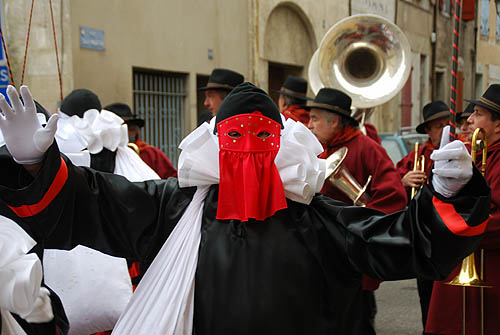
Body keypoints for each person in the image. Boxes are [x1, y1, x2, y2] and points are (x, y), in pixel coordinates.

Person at [0, 84, 488, 335]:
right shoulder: (173, 210)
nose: (248, 149)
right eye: (235, 136)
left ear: (280, 144)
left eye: (262, 136)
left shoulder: (316, 220)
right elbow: (95, 200)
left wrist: (452, 191)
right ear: (216, 143)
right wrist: (34, 163)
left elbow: (405, 240)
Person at [305, 87, 408, 334]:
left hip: (351, 256)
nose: (309, 125)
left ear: (335, 121)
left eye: (315, 119)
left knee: (356, 324)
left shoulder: (367, 147)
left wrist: (358, 223)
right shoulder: (318, 149)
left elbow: (395, 195)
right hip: (323, 255)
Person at [425, 84, 500, 335]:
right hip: (457, 262)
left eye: (477, 114)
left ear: (498, 125)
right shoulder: (471, 154)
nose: (469, 119)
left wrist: (458, 228)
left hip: (491, 267)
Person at [395, 100, 449, 331]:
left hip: (448, 233)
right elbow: (391, 180)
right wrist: (403, 180)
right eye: (439, 126)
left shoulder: (460, 150)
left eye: (448, 124)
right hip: (423, 234)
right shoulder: (418, 155)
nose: (446, 130)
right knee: (426, 293)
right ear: (427, 130)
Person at [104, 102, 177, 179]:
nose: (127, 134)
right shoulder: (99, 156)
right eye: (121, 130)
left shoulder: (151, 154)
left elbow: (172, 179)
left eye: (131, 129)